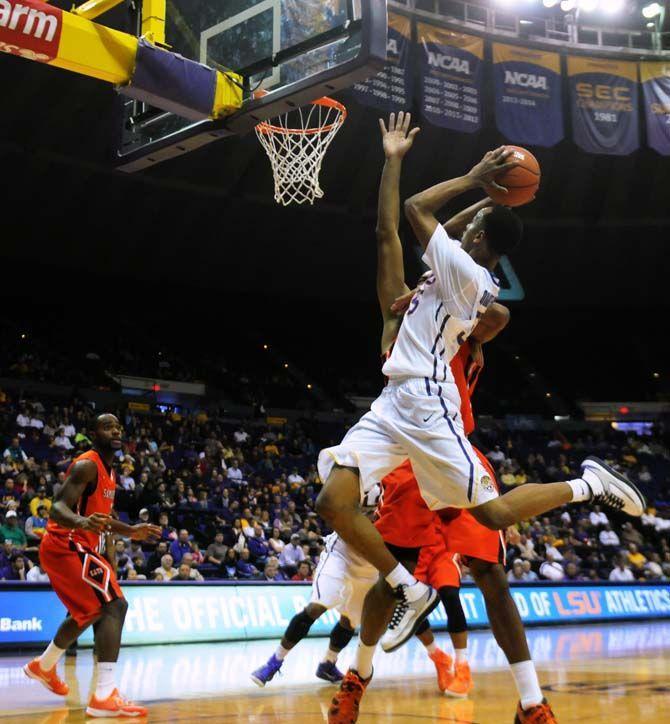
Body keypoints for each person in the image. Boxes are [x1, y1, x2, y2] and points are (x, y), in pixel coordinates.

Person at [316, 119, 645, 658]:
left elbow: (418, 212)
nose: (460, 229)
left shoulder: (467, 275)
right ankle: (407, 586)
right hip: (394, 402)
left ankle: (586, 485)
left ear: (477, 239)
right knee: (332, 502)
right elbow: (387, 234)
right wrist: (412, 166)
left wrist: (470, 180)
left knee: (490, 517)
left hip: (428, 403)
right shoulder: (445, 276)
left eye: (470, 228)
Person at [326, 114, 557, 724]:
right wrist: (411, 169)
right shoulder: (402, 308)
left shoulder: (477, 309)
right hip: (403, 445)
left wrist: (482, 201)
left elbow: (477, 290)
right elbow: (388, 233)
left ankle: (531, 701)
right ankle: (358, 674)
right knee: (390, 577)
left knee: (489, 570)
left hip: (449, 435)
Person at [22, 414, 160, 718]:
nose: (115, 430)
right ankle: (103, 695)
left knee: (91, 610)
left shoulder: (110, 473)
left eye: (119, 426)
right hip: (65, 544)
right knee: (115, 606)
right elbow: (57, 507)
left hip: (79, 546)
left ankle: (43, 666)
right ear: (93, 433)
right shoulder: (87, 464)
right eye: (108, 426)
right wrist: (83, 522)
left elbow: (101, 519)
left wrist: (131, 531)